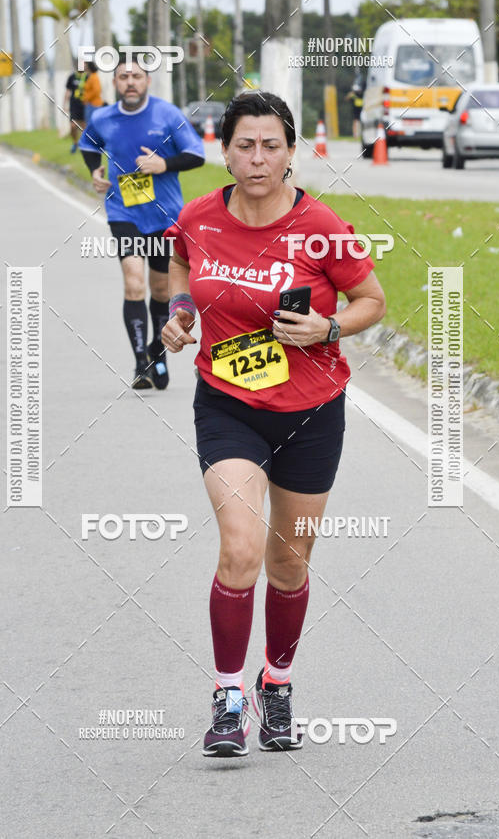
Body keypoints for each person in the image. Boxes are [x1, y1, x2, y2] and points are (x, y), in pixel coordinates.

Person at [162, 91, 386, 757]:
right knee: (240, 546)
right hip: (227, 403)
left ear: (291, 151)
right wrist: (180, 311)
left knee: (289, 563)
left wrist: (328, 326)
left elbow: (371, 300)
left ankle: (276, 682)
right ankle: (228, 696)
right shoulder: (200, 217)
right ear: (222, 149)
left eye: (270, 145)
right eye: (243, 145)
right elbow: (179, 264)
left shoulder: (321, 226)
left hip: (312, 411)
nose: (256, 159)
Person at [79, 55, 205, 389]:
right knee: (134, 283)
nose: (130, 81)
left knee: (162, 289)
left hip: (165, 215)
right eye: (123, 77)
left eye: (136, 76)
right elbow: (88, 145)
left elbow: (197, 154)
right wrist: (95, 171)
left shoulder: (167, 114)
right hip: (124, 212)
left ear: (147, 81)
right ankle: (140, 365)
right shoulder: (103, 117)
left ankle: (157, 353)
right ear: (115, 83)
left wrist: (164, 165)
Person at [64, 68, 87, 153]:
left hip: (85, 105)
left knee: (84, 127)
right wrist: (65, 104)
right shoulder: (72, 77)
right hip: (74, 105)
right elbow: (68, 91)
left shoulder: (87, 77)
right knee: (73, 126)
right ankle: (75, 143)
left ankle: (84, 145)